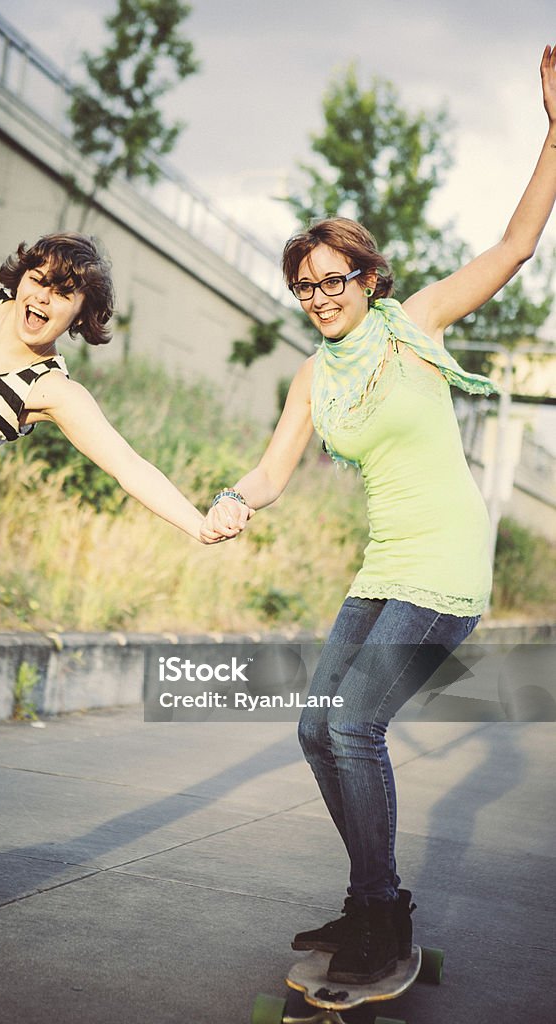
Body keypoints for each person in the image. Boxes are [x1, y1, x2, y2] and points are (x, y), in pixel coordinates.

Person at [202, 46, 556, 985]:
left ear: (368, 277)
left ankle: (384, 917)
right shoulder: (311, 376)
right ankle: (368, 903)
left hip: (443, 570)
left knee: (354, 725)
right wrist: (235, 501)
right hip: (381, 570)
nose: (319, 297)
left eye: (332, 279)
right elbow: (274, 471)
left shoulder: (416, 327)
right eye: (305, 285)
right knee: (318, 724)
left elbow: (516, 245)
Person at [0, 231, 215, 890]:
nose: (43, 296)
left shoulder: (53, 388)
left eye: (64, 292)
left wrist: (196, 524)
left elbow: (127, 465)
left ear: (80, 314)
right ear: (19, 274)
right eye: (39, 277)